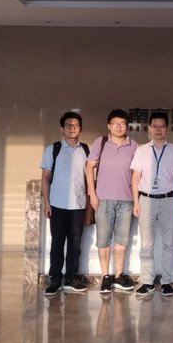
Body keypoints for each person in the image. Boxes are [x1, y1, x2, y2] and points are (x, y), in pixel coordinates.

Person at [86, 109, 138, 295]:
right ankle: (106, 276)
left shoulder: (134, 146)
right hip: (103, 199)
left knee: (122, 241)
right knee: (103, 240)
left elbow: (138, 174)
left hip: (126, 200)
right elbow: (89, 167)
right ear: (108, 125)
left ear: (127, 126)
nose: (119, 126)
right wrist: (92, 194)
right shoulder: (100, 143)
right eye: (115, 123)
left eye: (122, 123)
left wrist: (136, 200)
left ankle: (118, 275)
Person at [131, 112, 173, 297]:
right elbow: (135, 177)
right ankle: (147, 281)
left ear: (167, 129)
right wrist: (136, 202)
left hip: (169, 199)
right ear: (150, 128)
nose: (158, 130)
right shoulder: (142, 150)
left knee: (169, 243)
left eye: (162, 126)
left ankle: (167, 281)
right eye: (155, 126)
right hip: (146, 199)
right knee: (146, 244)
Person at [40, 111, 90, 296]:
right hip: (57, 205)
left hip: (78, 205)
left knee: (75, 246)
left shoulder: (86, 150)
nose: (72, 128)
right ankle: (55, 279)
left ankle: (71, 278)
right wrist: (46, 203)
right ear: (62, 129)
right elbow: (45, 178)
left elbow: (90, 178)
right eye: (69, 125)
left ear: (81, 129)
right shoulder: (53, 149)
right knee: (57, 244)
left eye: (76, 125)